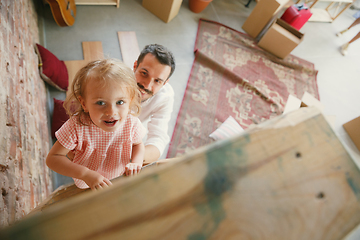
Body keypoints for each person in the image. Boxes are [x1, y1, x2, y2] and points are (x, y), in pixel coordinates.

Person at [46, 59, 145, 190]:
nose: (111, 112)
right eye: (100, 103)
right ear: (84, 103)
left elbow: (138, 144)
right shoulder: (76, 126)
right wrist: (86, 174)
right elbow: (53, 158)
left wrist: (136, 162)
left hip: (119, 178)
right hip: (86, 182)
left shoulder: (131, 122)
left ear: (130, 101)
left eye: (120, 102)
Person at [133, 44, 176, 163]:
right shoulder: (115, 80)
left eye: (157, 81)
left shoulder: (165, 96)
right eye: (144, 73)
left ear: (165, 83)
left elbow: (158, 138)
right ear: (135, 66)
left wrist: (136, 158)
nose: (147, 85)